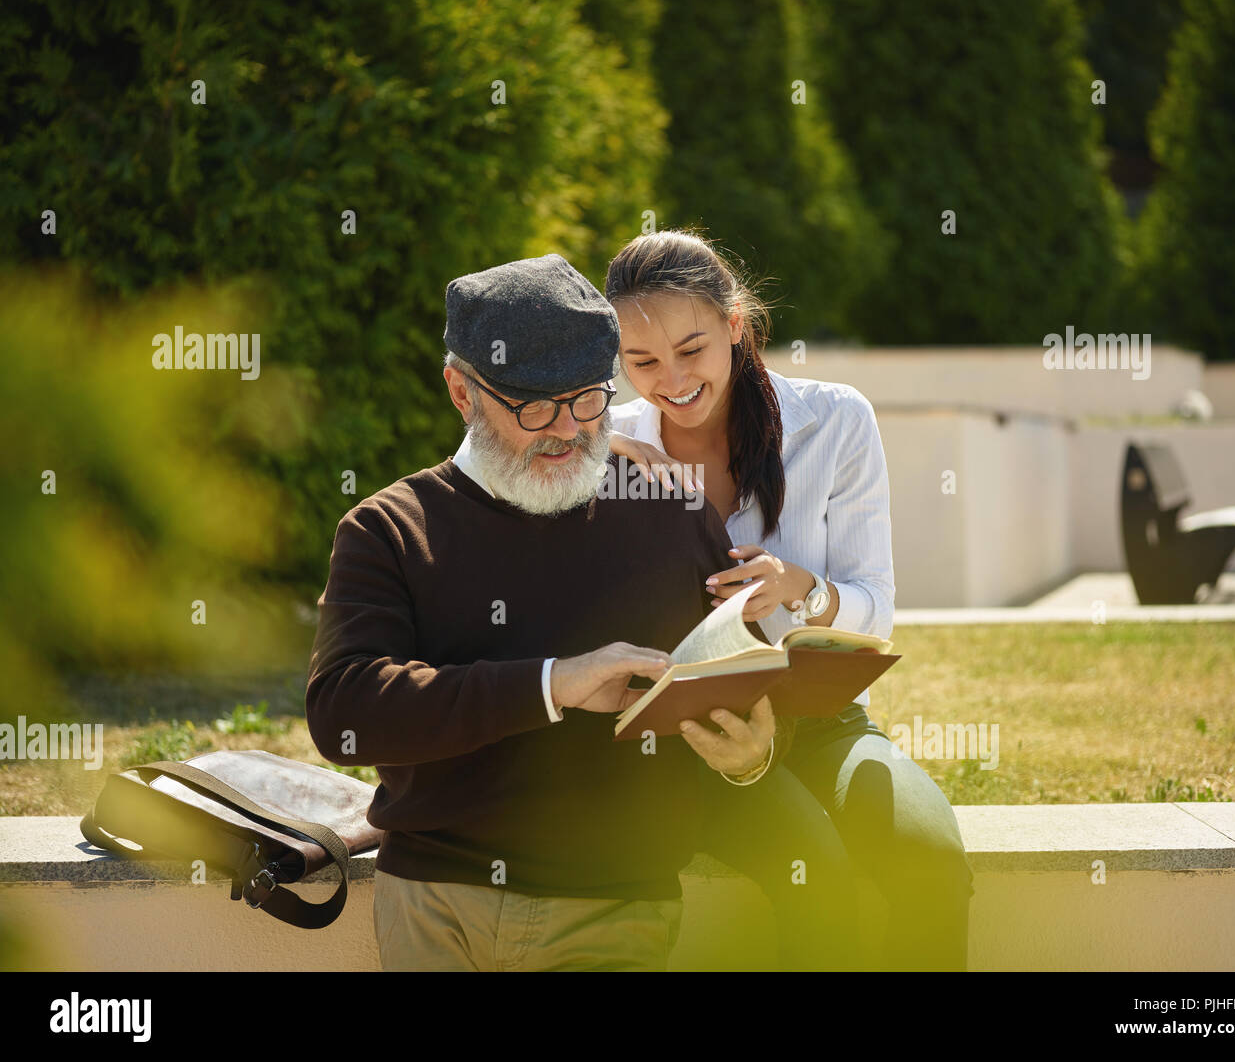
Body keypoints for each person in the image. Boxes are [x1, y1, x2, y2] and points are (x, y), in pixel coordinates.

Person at [304, 253, 831, 971]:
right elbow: (346, 714)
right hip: (435, 900)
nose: (570, 429)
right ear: (462, 390)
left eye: (589, 399)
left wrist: (752, 759)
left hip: (611, 905)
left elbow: (734, 672)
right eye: (534, 407)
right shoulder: (390, 529)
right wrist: (555, 683)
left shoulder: (669, 505)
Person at [603, 229, 975, 971]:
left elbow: (876, 604)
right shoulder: (607, 440)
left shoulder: (835, 421)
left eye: (692, 348)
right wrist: (596, 457)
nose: (670, 379)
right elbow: (469, 473)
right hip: (691, 739)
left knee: (929, 854)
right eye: (641, 361)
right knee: (815, 876)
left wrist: (805, 590)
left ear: (735, 326)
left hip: (824, 721)